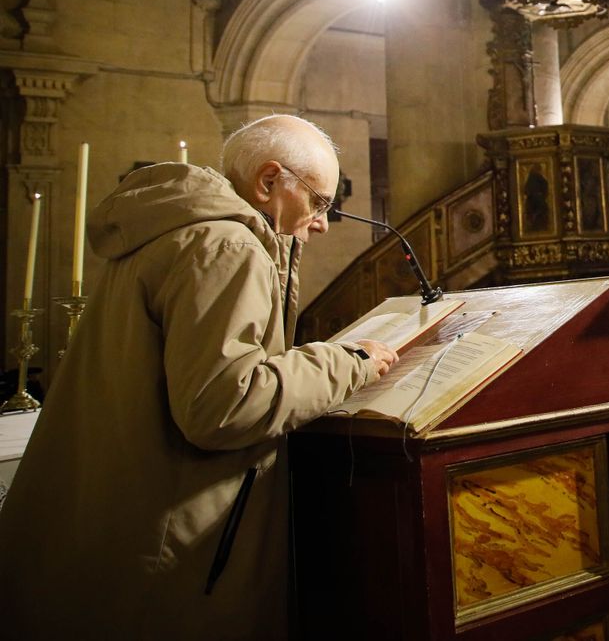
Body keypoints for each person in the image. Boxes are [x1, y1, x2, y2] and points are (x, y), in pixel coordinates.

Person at [0, 114, 400, 641]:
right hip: (169, 551)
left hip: (114, 529)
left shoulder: (170, 231)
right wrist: (349, 361)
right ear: (268, 180)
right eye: (320, 201)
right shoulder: (227, 247)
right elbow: (223, 407)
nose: (323, 222)